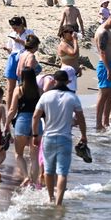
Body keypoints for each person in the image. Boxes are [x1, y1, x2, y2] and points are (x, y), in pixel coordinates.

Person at [31, 69, 88, 205]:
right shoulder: (72, 97)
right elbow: (81, 119)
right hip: (65, 138)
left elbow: (35, 116)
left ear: (54, 81)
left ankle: (50, 197)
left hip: (48, 137)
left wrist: (34, 135)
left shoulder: (46, 96)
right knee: (62, 172)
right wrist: (84, 136)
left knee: (49, 171)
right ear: (68, 82)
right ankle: (58, 202)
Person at [6, 34, 42, 188]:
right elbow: (42, 109)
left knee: (19, 154)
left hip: (21, 121)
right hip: (36, 123)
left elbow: (13, 109)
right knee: (34, 157)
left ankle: (26, 177)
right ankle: (33, 183)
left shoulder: (18, 90)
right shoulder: (39, 90)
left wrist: (6, 124)